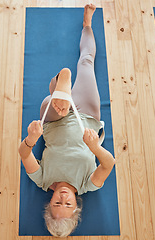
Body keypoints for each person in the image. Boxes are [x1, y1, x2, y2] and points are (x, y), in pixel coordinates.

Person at [18, 4, 115, 237]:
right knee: (86, 62)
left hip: (54, 119)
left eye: (56, 204)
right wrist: (94, 147)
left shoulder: (41, 180)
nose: (63, 198)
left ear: (48, 204)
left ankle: (60, 89)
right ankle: (87, 25)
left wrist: (31, 140)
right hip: (89, 116)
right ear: (77, 206)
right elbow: (108, 164)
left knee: (53, 105)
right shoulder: (87, 185)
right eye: (68, 205)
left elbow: (23, 153)